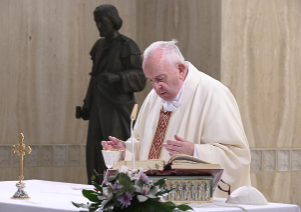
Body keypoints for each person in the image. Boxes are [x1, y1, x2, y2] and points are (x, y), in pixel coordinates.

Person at [101, 40, 251, 197]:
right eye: (151, 80)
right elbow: (147, 148)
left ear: (180, 69)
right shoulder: (153, 98)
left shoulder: (213, 93)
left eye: (160, 78)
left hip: (194, 199)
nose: (156, 87)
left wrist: (195, 151)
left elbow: (237, 155)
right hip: (155, 199)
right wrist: (127, 151)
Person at [76, 4, 146, 184]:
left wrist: (118, 77)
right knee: (95, 150)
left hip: (117, 108)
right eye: (97, 22)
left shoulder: (127, 45)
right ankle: (98, 189)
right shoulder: (99, 46)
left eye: (103, 21)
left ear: (113, 21)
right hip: (98, 106)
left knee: (113, 148)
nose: (100, 26)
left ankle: (120, 191)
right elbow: (95, 78)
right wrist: (87, 106)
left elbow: (140, 77)